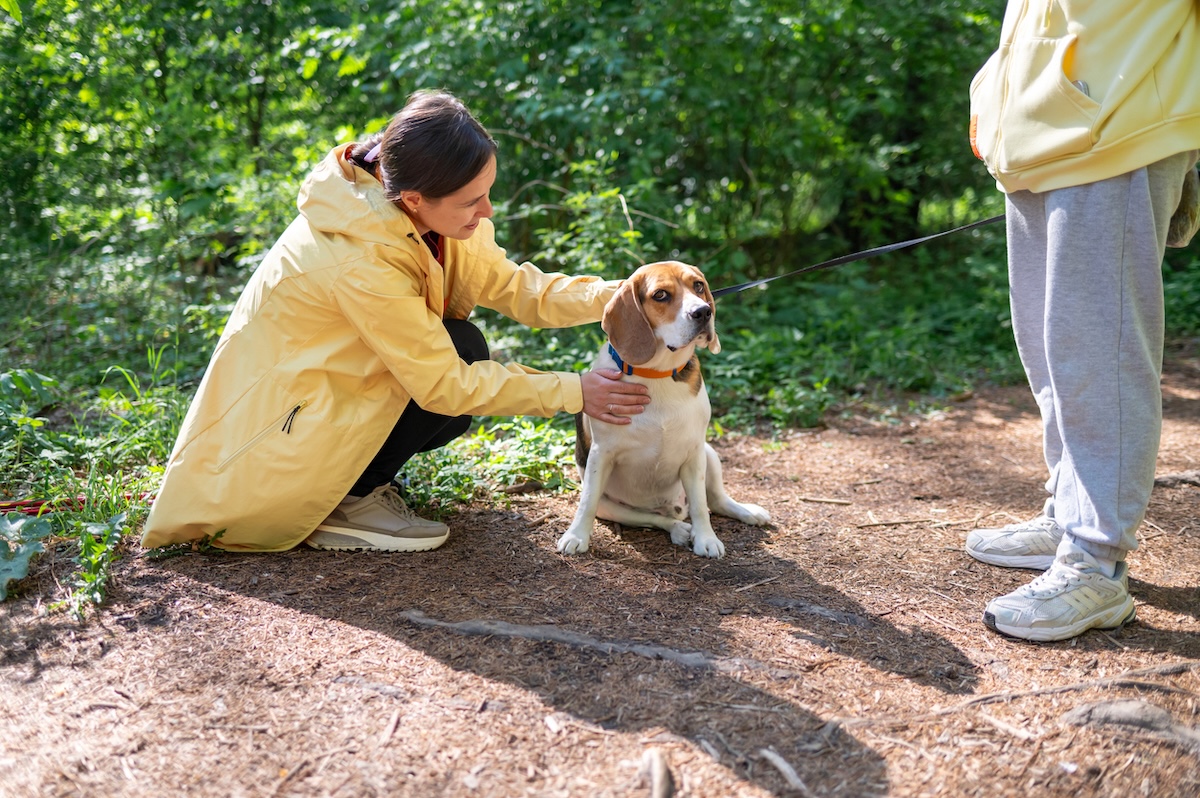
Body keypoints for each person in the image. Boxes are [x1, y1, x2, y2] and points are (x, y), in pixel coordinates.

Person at [139, 90, 650, 553]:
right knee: (461, 356)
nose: (487, 209)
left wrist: (633, 295)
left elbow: (519, 288)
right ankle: (349, 500)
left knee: (462, 344)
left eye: (488, 191)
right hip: (276, 443)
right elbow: (442, 384)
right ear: (414, 199)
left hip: (325, 398)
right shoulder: (359, 254)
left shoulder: (421, 207)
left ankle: (357, 482)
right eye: (473, 200)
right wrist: (574, 390)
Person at [965, 1, 1200, 641]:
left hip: (1119, 134)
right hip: (1038, 147)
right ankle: (1068, 513)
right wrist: (992, 90)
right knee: (1052, 348)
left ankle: (1096, 557)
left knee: (1101, 351)